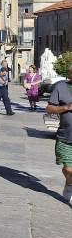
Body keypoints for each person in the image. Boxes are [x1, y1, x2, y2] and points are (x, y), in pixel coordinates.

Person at [46, 71, 72, 206]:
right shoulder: (61, 87)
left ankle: (70, 186)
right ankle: (70, 184)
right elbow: (49, 109)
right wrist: (66, 107)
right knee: (68, 170)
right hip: (66, 137)